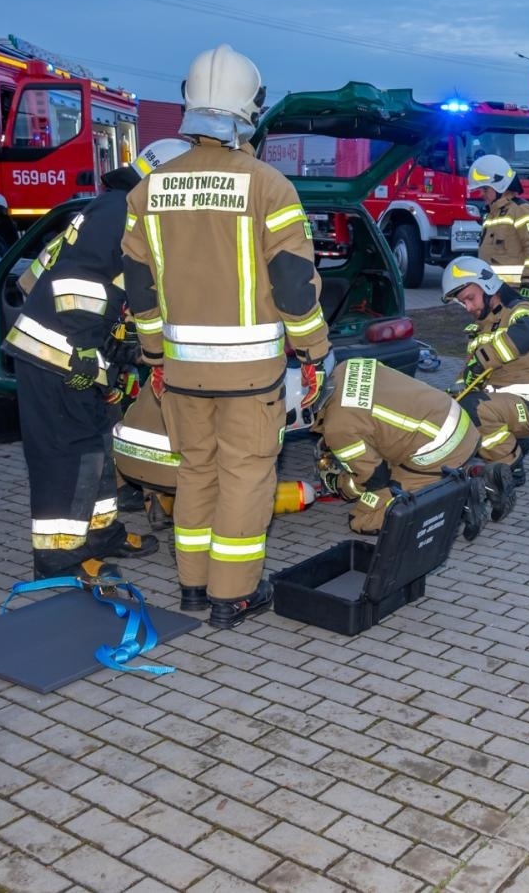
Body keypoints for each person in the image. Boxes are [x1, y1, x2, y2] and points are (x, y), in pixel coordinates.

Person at [122, 44, 331, 629]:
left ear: (190, 103)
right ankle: (232, 596)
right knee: (246, 475)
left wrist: (154, 355)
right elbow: (294, 287)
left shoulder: (149, 191)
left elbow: (140, 288)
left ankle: (192, 588)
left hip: (181, 373)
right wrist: (315, 351)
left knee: (195, 473)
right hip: (250, 378)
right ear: (249, 110)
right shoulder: (269, 187)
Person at [2, 167, 160, 581]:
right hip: (60, 359)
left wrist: (114, 349)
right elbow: (81, 286)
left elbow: (31, 277)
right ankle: (60, 559)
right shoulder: (125, 213)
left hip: (76, 356)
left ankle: (102, 534)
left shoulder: (107, 207)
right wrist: (89, 352)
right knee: (65, 455)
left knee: (96, 447)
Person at [313, 357, 505, 534]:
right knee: (396, 463)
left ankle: (460, 502)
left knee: (363, 519)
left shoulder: (338, 428)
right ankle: (477, 473)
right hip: (458, 421)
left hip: (437, 446)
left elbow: (375, 479)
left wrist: (340, 485)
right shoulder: (348, 366)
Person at [441, 256, 529, 488]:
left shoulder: (520, 312)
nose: (469, 307)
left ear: (488, 286)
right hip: (504, 404)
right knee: (455, 413)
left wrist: (483, 361)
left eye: (470, 298)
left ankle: (512, 466)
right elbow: (467, 373)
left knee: (472, 409)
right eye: (464, 303)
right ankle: (515, 443)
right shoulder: (481, 330)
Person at [472, 155, 529, 300]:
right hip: (492, 290)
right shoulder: (491, 215)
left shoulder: (522, 210)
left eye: (485, 189)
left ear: (500, 186)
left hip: (515, 293)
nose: (481, 194)